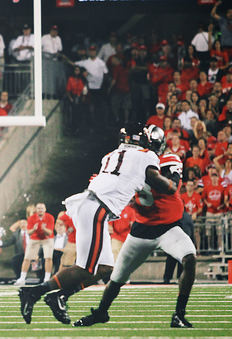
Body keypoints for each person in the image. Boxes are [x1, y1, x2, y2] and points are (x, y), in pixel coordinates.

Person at [18, 125, 177, 325]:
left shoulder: (112, 155)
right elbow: (160, 183)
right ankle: (33, 293)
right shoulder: (147, 157)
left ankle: (60, 296)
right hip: (97, 209)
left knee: (105, 269)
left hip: (93, 205)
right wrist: (174, 180)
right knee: (85, 268)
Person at [75, 153, 196, 328]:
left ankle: (179, 315)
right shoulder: (128, 168)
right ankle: (101, 312)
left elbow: (171, 186)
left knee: (189, 258)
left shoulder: (167, 161)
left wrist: (136, 181)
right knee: (117, 279)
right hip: (141, 232)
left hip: (168, 228)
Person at [15, 203, 55, 286]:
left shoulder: (50, 217)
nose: (40, 210)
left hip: (47, 239)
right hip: (35, 238)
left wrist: (44, 229)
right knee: (27, 258)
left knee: (48, 258)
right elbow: (29, 232)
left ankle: (47, 278)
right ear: (36, 210)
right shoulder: (31, 218)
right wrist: (34, 229)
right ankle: (22, 278)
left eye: (42, 208)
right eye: (38, 208)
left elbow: (50, 232)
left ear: (45, 209)